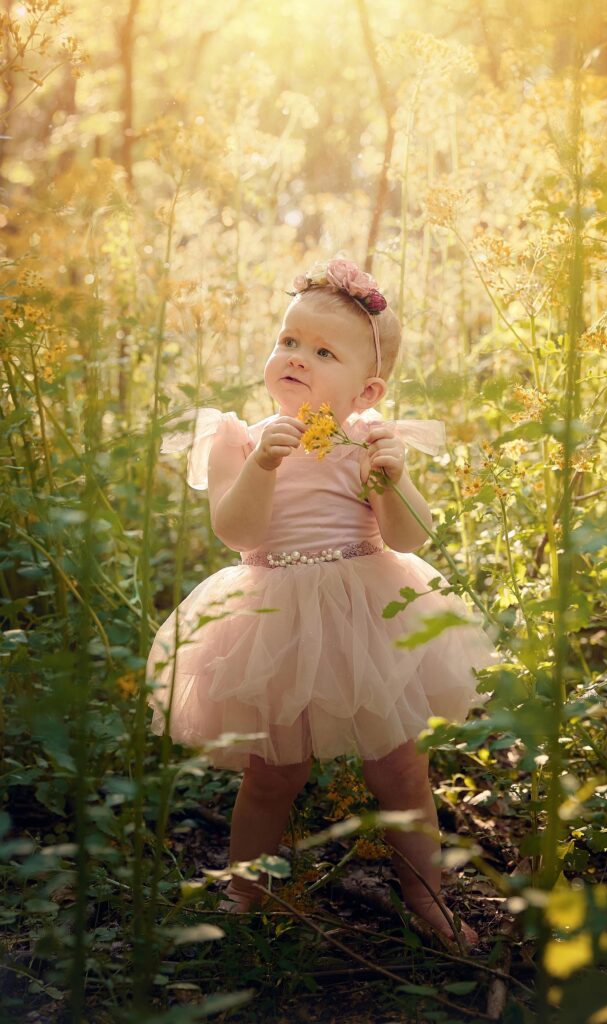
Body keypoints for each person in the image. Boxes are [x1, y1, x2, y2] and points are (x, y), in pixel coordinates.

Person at [146, 256, 500, 950]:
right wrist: (262, 465)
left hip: (368, 608)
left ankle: (428, 898)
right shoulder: (238, 439)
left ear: (365, 389)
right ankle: (243, 891)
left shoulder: (366, 440)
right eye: (287, 341)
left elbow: (408, 536)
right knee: (273, 770)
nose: (296, 358)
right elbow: (236, 532)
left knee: (399, 766)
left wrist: (392, 480)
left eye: (322, 351)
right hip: (273, 619)